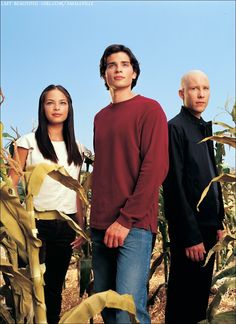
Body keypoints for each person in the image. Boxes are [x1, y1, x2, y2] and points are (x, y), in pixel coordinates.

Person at [90, 44, 169, 324]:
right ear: (104, 76)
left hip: (133, 226)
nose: (118, 69)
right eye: (112, 65)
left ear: (134, 72)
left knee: (128, 311)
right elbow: (104, 171)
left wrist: (125, 220)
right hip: (100, 226)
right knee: (108, 309)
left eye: (125, 64)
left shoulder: (149, 109)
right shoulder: (99, 118)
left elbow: (155, 168)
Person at [9, 84, 89, 324]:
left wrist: (81, 227)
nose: (56, 107)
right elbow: (12, 184)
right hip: (34, 226)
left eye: (62, 102)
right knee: (30, 288)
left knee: (54, 289)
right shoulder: (27, 142)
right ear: (42, 108)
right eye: (50, 102)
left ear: (69, 108)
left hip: (65, 227)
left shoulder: (78, 147)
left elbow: (78, 190)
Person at [163, 70, 225, 324]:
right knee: (183, 300)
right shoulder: (175, 128)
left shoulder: (203, 129)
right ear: (182, 93)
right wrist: (190, 237)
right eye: (194, 88)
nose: (200, 94)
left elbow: (211, 178)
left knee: (198, 299)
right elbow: (175, 186)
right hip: (191, 234)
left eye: (205, 88)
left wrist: (219, 221)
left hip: (208, 229)